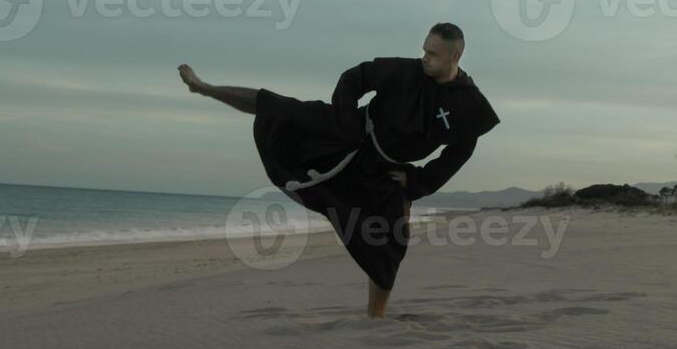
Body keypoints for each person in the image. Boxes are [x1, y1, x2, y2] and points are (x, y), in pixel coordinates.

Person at [178, 22, 499, 318]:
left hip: (385, 170)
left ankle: (375, 317)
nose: (425, 58)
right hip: (351, 132)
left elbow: (461, 150)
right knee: (280, 109)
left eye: (433, 53)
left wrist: (418, 180)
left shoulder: (469, 105)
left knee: (392, 241)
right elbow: (353, 79)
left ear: (456, 55)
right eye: (424, 50)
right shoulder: (404, 70)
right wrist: (344, 124)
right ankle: (204, 87)